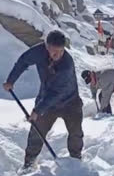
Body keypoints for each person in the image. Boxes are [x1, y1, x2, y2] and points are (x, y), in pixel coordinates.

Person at [3, 30, 84, 170]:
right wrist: (11, 80)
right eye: (53, 52)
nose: (57, 55)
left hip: (70, 102)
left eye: (60, 51)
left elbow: (57, 93)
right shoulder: (39, 52)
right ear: (46, 47)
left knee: (76, 133)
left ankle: (75, 162)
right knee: (36, 132)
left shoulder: (67, 64)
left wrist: (37, 110)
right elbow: (23, 61)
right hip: (46, 99)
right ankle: (29, 163)